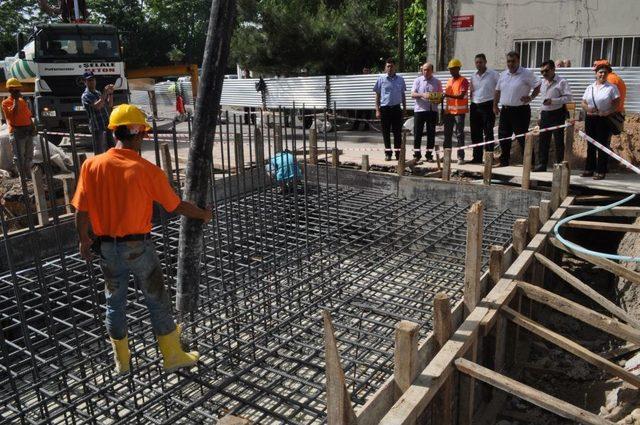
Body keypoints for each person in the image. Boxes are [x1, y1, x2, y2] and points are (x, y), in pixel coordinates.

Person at [71, 104, 213, 374]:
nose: (143, 138)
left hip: (107, 249)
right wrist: (203, 214)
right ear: (137, 134)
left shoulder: (91, 165)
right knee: (157, 299)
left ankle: (121, 363)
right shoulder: (146, 170)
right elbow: (176, 206)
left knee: (114, 302)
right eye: (143, 134)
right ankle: (172, 357)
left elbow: (81, 210)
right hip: (138, 247)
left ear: (115, 132)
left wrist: (83, 240)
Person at [493, 51, 541, 166]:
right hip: (505, 110)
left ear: (518, 61)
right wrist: (495, 105)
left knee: (522, 138)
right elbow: (497, 90)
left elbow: (538, 85)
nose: (510, 64)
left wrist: (531, 97)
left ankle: (530, 163)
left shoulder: (526, 73)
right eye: (508, 61)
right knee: (503, 137)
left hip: (520, 111)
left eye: (513, 61)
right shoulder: (503, 74)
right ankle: (504, 161)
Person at [581, 63, 620, 180]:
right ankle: (589, 169)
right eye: (600, 72)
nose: (602, 74)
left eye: (605, 72)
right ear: (596, 74)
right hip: (590, 118)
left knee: (602, 145)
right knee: (590, 144)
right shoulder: (590, 87)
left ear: (608, 74)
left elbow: (616, 103)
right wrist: (588, 108)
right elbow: (583, 102)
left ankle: (601, 170)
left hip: (603, 119)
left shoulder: (612, 88)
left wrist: (607, 112)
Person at [536, 60, 573, 171]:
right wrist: (539, 115)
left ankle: (559, 165)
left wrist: (553, 101)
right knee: (543, 140)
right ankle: (542, 164)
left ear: (553, 69)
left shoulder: (562, 82)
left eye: (546, 71)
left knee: (558, 140)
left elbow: (568, 98)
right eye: (542, 71)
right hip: (545, 114)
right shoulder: (542, 82)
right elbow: (542, 100)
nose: (544, 74)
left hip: (557, 113)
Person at [374, 58, 407, 161]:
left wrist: (405, 108)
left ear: (395, 67)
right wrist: (377, 110)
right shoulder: (381, 79)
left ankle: (398, 154)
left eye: (391, 66)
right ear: (385, 68)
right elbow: (377, 95)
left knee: (397, 132)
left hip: (397, 109)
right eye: (388, 66)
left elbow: (403, 94)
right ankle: (388, 153)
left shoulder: (400, 79)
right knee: (386, 132)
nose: (390, 68)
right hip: (385, 109)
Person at [469, 53, 500, 164]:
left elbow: (499, 89)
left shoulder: (493, 74)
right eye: (477, 62)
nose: (478, 64)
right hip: (475, 106)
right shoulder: (473, 76)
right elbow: (472, 91)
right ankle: (476, 157)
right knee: (475, 133)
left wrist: (496, 104)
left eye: (480, 62)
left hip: (488, 105)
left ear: (485, 62)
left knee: (488, 132)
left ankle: (489, 158)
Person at [1, 78, 34, 179]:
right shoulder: (6, 102)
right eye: (16, 90)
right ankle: (23, 177)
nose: (18, 91)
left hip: (27, 130)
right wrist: (15, 100)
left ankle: (28, 175)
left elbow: (28, 115)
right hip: (17, 132)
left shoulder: (22, 101)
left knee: (29, 154)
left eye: (19, 89)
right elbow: (12, 115)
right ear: (10, 90)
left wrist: (33, 127)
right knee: (19, 156)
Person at [411, 62, 442, 162]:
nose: (426, 72)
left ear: (432, 71)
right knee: (417, 133)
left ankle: (429, 155)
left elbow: (441, 96)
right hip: (419, 110)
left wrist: (436, 98)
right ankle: (417, 154)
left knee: (431, 134)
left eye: (428, 70)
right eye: (424, 70)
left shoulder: (437, 82)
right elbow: (412, 94)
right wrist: (422, 95)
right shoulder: (417, 80)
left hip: (432, 111)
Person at [81, 71, 115, 154]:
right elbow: (97, 106)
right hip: (97, 127)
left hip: (107, 125)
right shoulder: (86, 95)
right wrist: (105, 93)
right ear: (85, 82)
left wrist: (110, 93)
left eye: (93, 80)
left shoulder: (98, 93)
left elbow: (109, 104)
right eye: (89, 80)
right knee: (99, 152)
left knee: (111, 150)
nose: (92, 82)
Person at [443, 58, 469, 164]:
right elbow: (447, 98)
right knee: (447, 134)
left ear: (458, 69)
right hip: (449, 112)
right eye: (450, 69)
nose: (451, 71)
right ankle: (446, 156)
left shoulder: (463, 81)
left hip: (459, 113)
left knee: (459, 134)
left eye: (453, 69)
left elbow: (461, 95)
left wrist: (447, 95)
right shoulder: (449, 81)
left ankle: (460, 157)